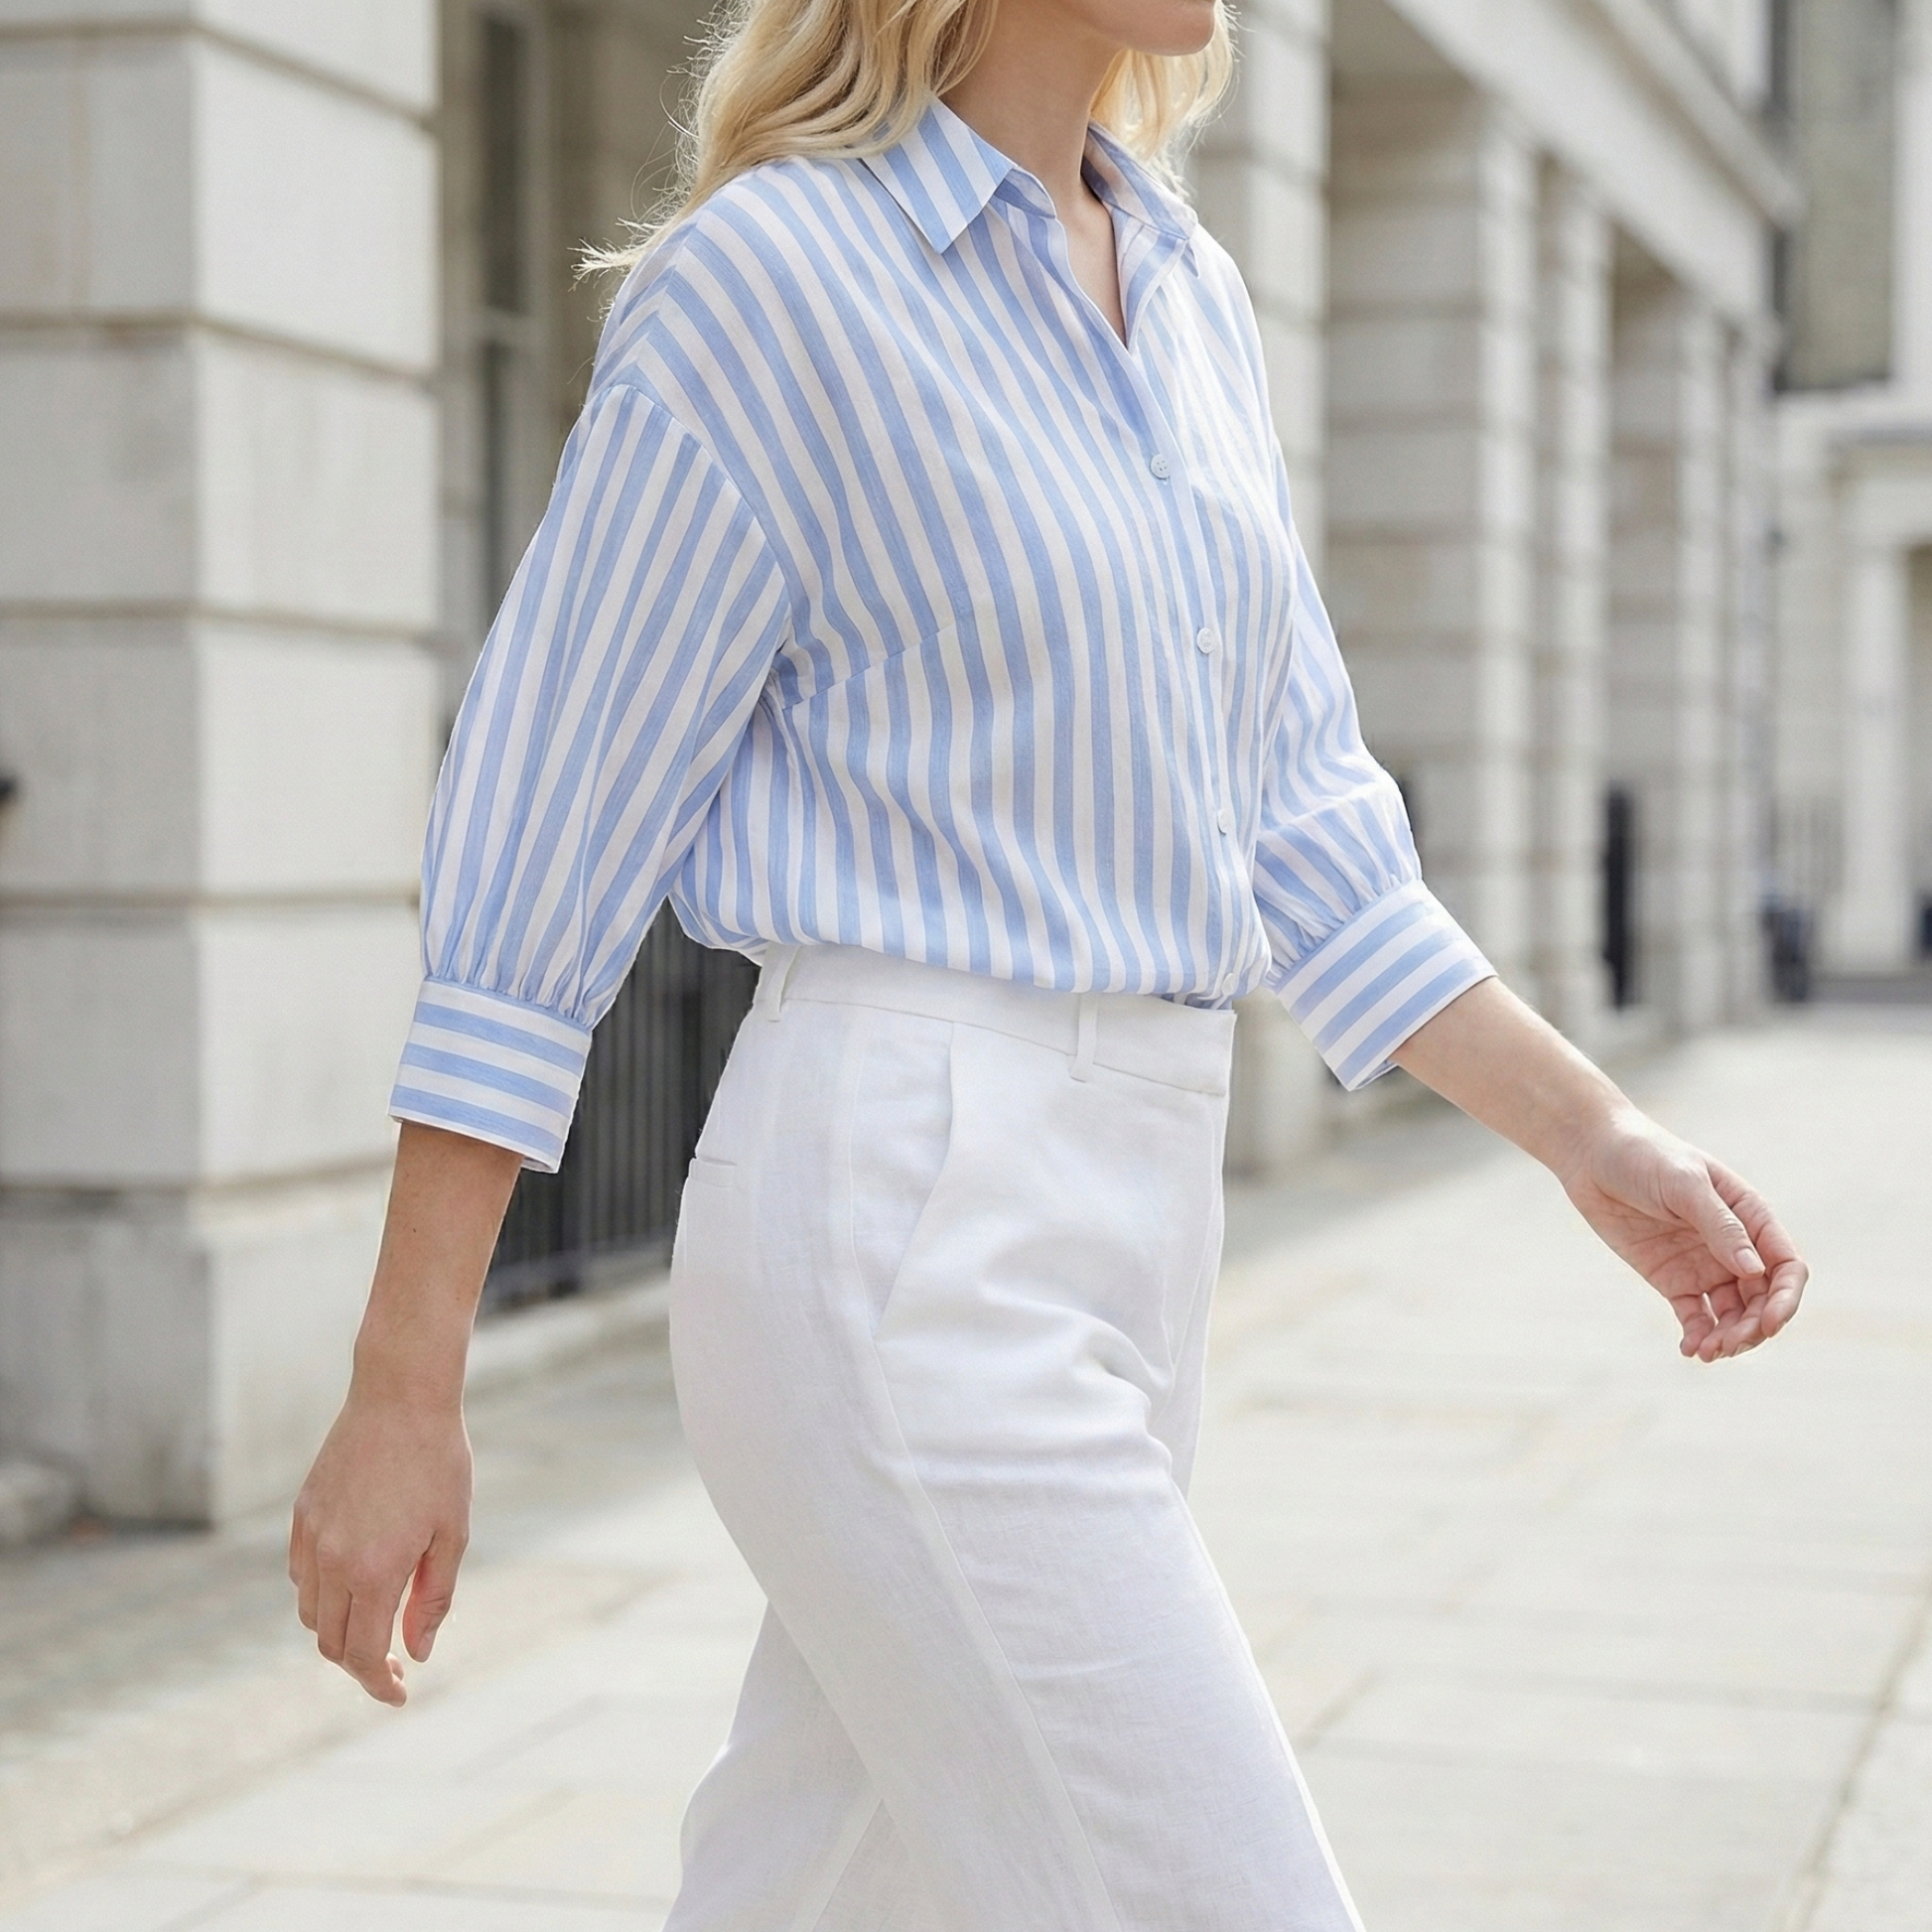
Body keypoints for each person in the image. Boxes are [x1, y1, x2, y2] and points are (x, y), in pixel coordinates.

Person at [289, 1, 1810, 1924]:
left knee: (818, 1884)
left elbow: (1305, 824)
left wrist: (1597, 1140)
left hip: (1133, 1225)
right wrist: (403, 1377)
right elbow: (543, 826)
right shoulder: (779, 283)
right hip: (903, 1219)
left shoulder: (1189, 299)